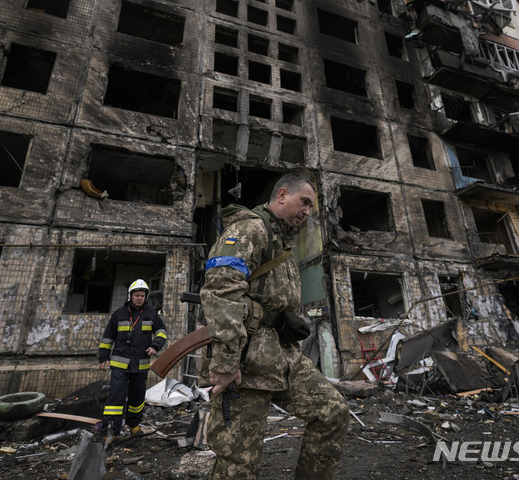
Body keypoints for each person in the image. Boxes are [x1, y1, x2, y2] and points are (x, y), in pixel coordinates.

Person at [200, 173, 349, 479]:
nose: (307, 211)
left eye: (311, 207)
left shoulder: (283, 244)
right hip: (247, 363)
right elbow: (221, 289)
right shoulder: (251, 228)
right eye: (304, 202)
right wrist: (226, 362)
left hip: (283, 359)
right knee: (238, 465)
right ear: (282, 195)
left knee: (333, 411)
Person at [98, 279, 167, 446]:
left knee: (137, 399)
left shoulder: (151, 314)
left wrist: (155, 346)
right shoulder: (119, 314)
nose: (139, 298)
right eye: (137, 295)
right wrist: (103, 358)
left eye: (142, 296)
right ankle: (110, 432)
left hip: (141, 365)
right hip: (119, 365)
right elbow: (107, 338)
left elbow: (162, 333)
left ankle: (134, 425)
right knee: (115, 399)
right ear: (130, 296)